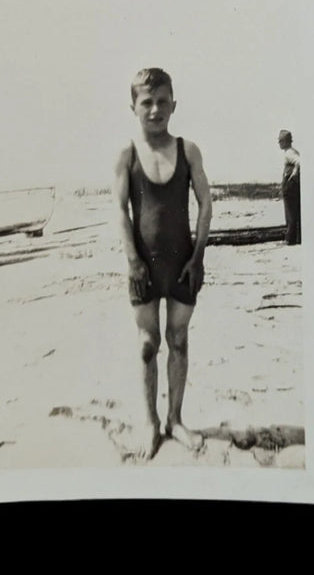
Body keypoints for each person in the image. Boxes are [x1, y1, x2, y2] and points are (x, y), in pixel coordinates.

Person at [113, 68, 212, 460]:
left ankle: (176, 419)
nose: (155, 109)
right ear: (133, 106)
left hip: (183, 263)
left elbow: (205, 203)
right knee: (146, 345)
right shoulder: (126, 153)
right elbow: (120, 210)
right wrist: (133, 261)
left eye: (162, 101)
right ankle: (150, 423)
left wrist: (199, 256)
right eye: (146, 102)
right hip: (144, 267)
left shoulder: (189, 150)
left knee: (179, 340)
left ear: (174, 104)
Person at [278, 129, 301, 245]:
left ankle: (290, 239)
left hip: (290, 186)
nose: (279, 143)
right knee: (295, 212)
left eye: (281, 140)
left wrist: (294, 173)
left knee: (290, 213)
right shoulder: (292, 151)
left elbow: (299, 162)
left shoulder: (289, 153)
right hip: (292, 185)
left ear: (286, 141)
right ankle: (296, 238)